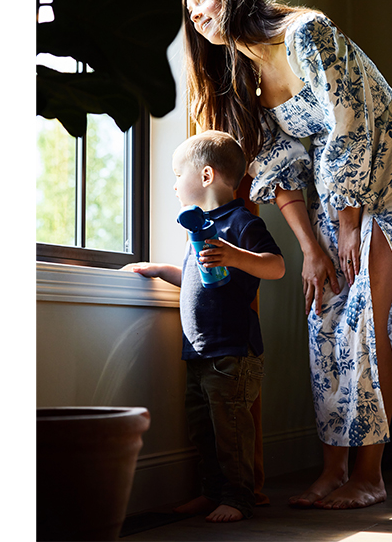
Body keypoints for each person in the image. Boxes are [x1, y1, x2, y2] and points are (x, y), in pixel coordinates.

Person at [180, 0, 392, 510]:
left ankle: (370, 475)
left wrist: (350, 225)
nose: (196, 14)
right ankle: (333, 470)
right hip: (335, 197)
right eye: (189, 9)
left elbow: (350, 125)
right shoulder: (245, 77)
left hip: (391, 182)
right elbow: (279, 166)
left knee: (364, 321)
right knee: (325, 323)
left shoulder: (306, 33)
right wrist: (311, 249)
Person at [122, 130, 286, 523]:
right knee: (203, 429)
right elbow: (200, 279)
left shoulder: (241, 222)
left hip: (233, 350)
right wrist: (162, 270)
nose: (175, 185)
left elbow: (276, 266)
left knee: (230, 429)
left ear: (207, 175)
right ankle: (212, 493)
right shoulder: (199, 227)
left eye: (178, 175)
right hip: (200, 349)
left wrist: (234, 255)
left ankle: (239, 497)